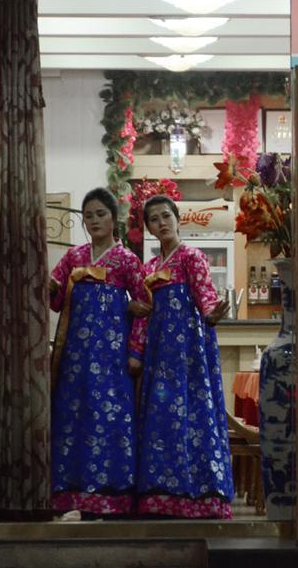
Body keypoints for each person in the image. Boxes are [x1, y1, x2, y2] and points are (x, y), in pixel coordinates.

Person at [130, 195, 233, 518]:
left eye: (166, 216)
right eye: (155, 219)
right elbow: (142, 314)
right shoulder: (148, 269)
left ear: (178, 218)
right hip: (158, 357)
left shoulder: (192, 257)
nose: (162, 223)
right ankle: (159, 494)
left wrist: (214, 313)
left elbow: (206, 297)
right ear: (148, 227)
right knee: (160, 416)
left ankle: (199, 493)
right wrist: (135, 350)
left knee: (193, 414)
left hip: (189, 355)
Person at [48, 187, 146, 516]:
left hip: (113, 359)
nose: (94, 221)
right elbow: (55, 298)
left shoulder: (128, 260)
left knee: (111, 419)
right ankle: (71, 496)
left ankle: (112, 498)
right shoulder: (74, 258)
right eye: (88, 216)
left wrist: (135, 351)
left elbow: (146, 307)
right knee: (73, 418)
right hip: (76, 358)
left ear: (114, 218)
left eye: (100, 214)